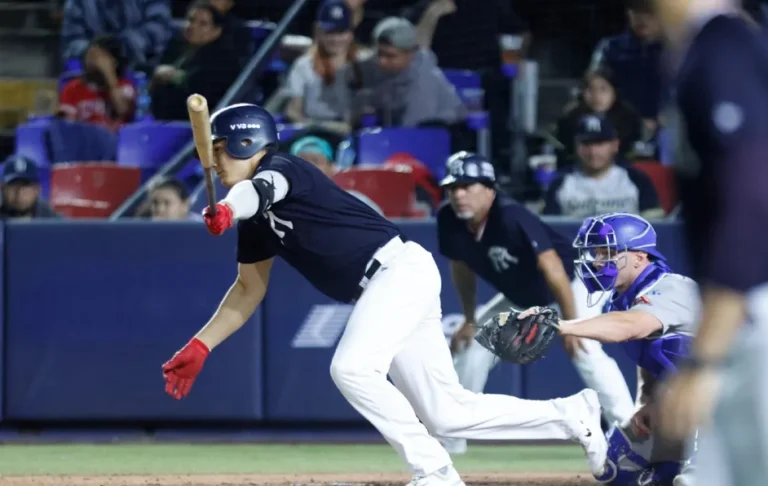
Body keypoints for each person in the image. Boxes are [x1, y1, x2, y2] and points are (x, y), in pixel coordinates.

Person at [160, 103, 609, 485]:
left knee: (351, 368)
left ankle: (434, 471)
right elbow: (247, 289)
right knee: (446, 412)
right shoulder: (255, 220)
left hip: (395, 272)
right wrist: (201, 345)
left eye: (218, 148)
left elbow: (260, 190)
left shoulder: (282, 169)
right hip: (389, 285)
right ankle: (573, 414)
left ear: (244, 143)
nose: (214, 160)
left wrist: (226, 207)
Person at [436, 151, 634, 455]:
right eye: (453, 187)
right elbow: (460, 267)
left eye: (468, 185)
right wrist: (469, 317)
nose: (459, 194)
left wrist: (573, 326)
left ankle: (632, 431)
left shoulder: (512, 216)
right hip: (526, 298)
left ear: (489, 188)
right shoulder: (449, 219)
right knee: (474, 347)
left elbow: (553, 269)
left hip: (575, 283)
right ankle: (451, 440)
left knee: (585, 349)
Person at [652, 2, 768, 486]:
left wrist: (705, 357)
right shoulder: (717, 46)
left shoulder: (722, 50)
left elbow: (750, 195)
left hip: (753, 311)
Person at [513, 213, 699, 485]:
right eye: (597, 253)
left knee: (670, 346)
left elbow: (632, 326)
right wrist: (649, 401)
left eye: (608, 253)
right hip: (688, 403)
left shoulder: (669, 286)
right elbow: (647, 357)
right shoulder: (623, 301)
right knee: (616, 465)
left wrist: (560, 325)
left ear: (639, 257)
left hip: (733, 402)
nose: (598, 262)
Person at [543, 114, 663, 220]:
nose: (593, 151)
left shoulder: (637, 179)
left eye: (600, 143)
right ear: (576, 146)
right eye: (586, 144)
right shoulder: (560, 183)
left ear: (615, 145)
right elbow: (550, 230)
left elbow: (656, 226)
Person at [356, 17, 466, 128]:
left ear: (410, 53)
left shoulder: (423, 81)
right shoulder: (381, 70)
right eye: (379, 54)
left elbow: (413, 134)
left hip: (444, 139)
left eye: (390, 56)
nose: (381, 61)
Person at [149, 1, 241, 121]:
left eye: (202, 24)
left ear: (216, 31)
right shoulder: (175, 46)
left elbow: (202, 90)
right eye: (190, 20)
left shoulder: (223, 61)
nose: (192, 26)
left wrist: (173, 76)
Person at [284, 0, 360, 136]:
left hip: (353, 135)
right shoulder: (303, 66)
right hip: (312, 132)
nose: (335, 39)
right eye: (330, 33)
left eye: (341, 32)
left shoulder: (361, 66)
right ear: (318, 32)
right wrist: (316, 127)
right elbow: (293, 110)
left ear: (350, 34)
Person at [555, 68, 644, 165]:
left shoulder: (628, 120)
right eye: (590, 89)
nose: (596, 95)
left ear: (615, 92)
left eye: (603, 89)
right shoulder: (571, 119)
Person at [60, 0, 172, 71]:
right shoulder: (77, 3)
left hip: (143, 72)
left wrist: (120, 49)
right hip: (90, 73)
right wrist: (96, 54)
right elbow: (71, 43)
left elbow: (157, 32)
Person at [59, 35, 136, 130]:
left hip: (116, 140)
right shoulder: (72, 88)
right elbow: (65, 125)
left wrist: (108, 74)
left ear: (114, 62)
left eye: (99, 57)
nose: (92, 61)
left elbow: (122, 110)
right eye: (90, 55)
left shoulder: (125, 86)